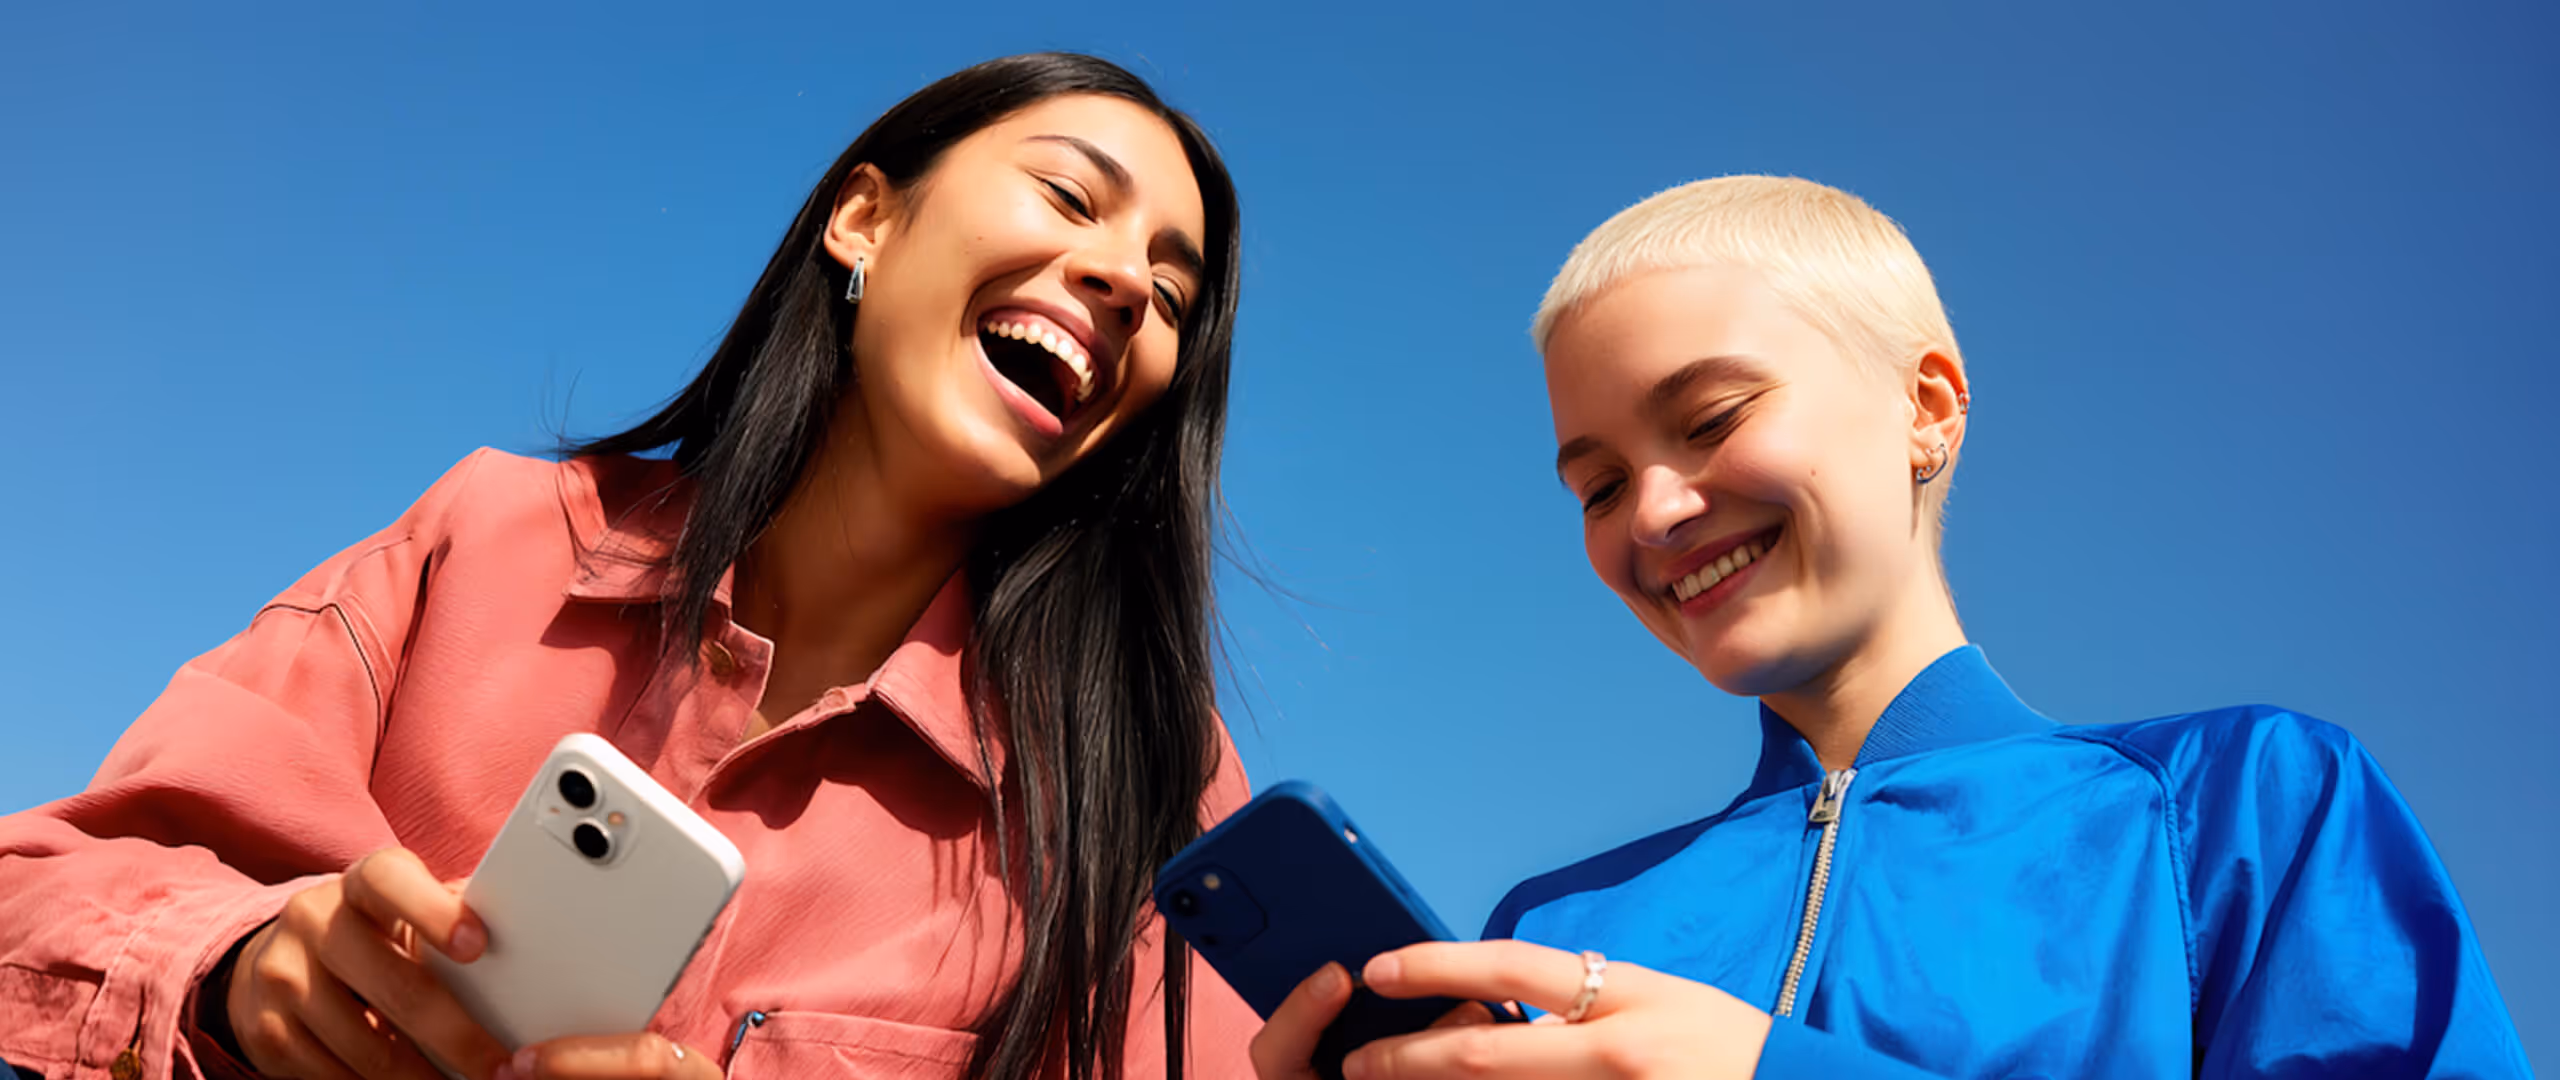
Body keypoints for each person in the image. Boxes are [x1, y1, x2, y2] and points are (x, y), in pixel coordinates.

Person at [0, 52, 1257, 1080]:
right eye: (1071, 199)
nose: (1123, 285)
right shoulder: (491, 535)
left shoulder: (1152, 781)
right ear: (864, 218)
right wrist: (236, 964)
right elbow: (38, 888)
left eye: (1171, 290)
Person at [1250, 176, 2531, 1078]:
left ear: (1925, 407)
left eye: (1708, 421)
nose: (1652, 511)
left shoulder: (2243, 806)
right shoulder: (1544, 930)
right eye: (1595, 483)